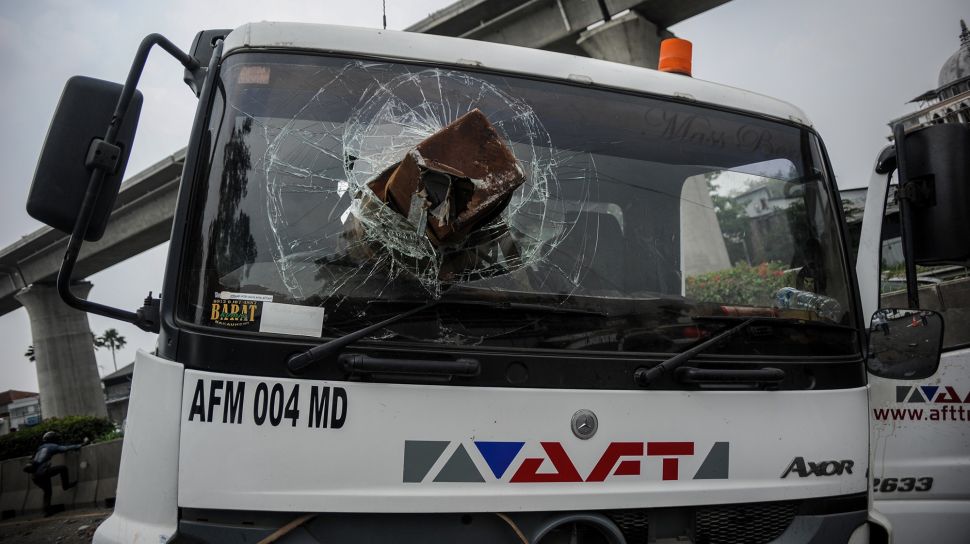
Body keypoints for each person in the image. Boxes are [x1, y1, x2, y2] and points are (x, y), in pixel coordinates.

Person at [28, 431, 86, 516]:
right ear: (53, 439)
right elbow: (65, 448)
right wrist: (81, 445)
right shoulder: (52, 446)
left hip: (35, 476)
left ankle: (47, 511)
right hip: (43, 472)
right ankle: (65, 486)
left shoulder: (40, 448)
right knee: (63, 468)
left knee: (47, 491)